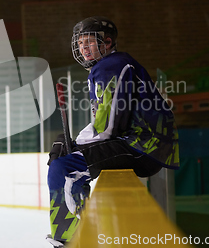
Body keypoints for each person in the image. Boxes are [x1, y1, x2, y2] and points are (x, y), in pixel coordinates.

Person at [46, 16, 180, 247]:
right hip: (141, 143)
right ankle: (84, 225)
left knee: (63, 167)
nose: (84, 48)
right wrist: (78, 143)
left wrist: (77, 145)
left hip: (141, 145)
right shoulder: (113, 64)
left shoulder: (111, 65)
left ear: (107, 43)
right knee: (68, 157)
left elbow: (108, 127)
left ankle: (70, 240)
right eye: (80, 43)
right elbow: (107, 121)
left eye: (90, 42)